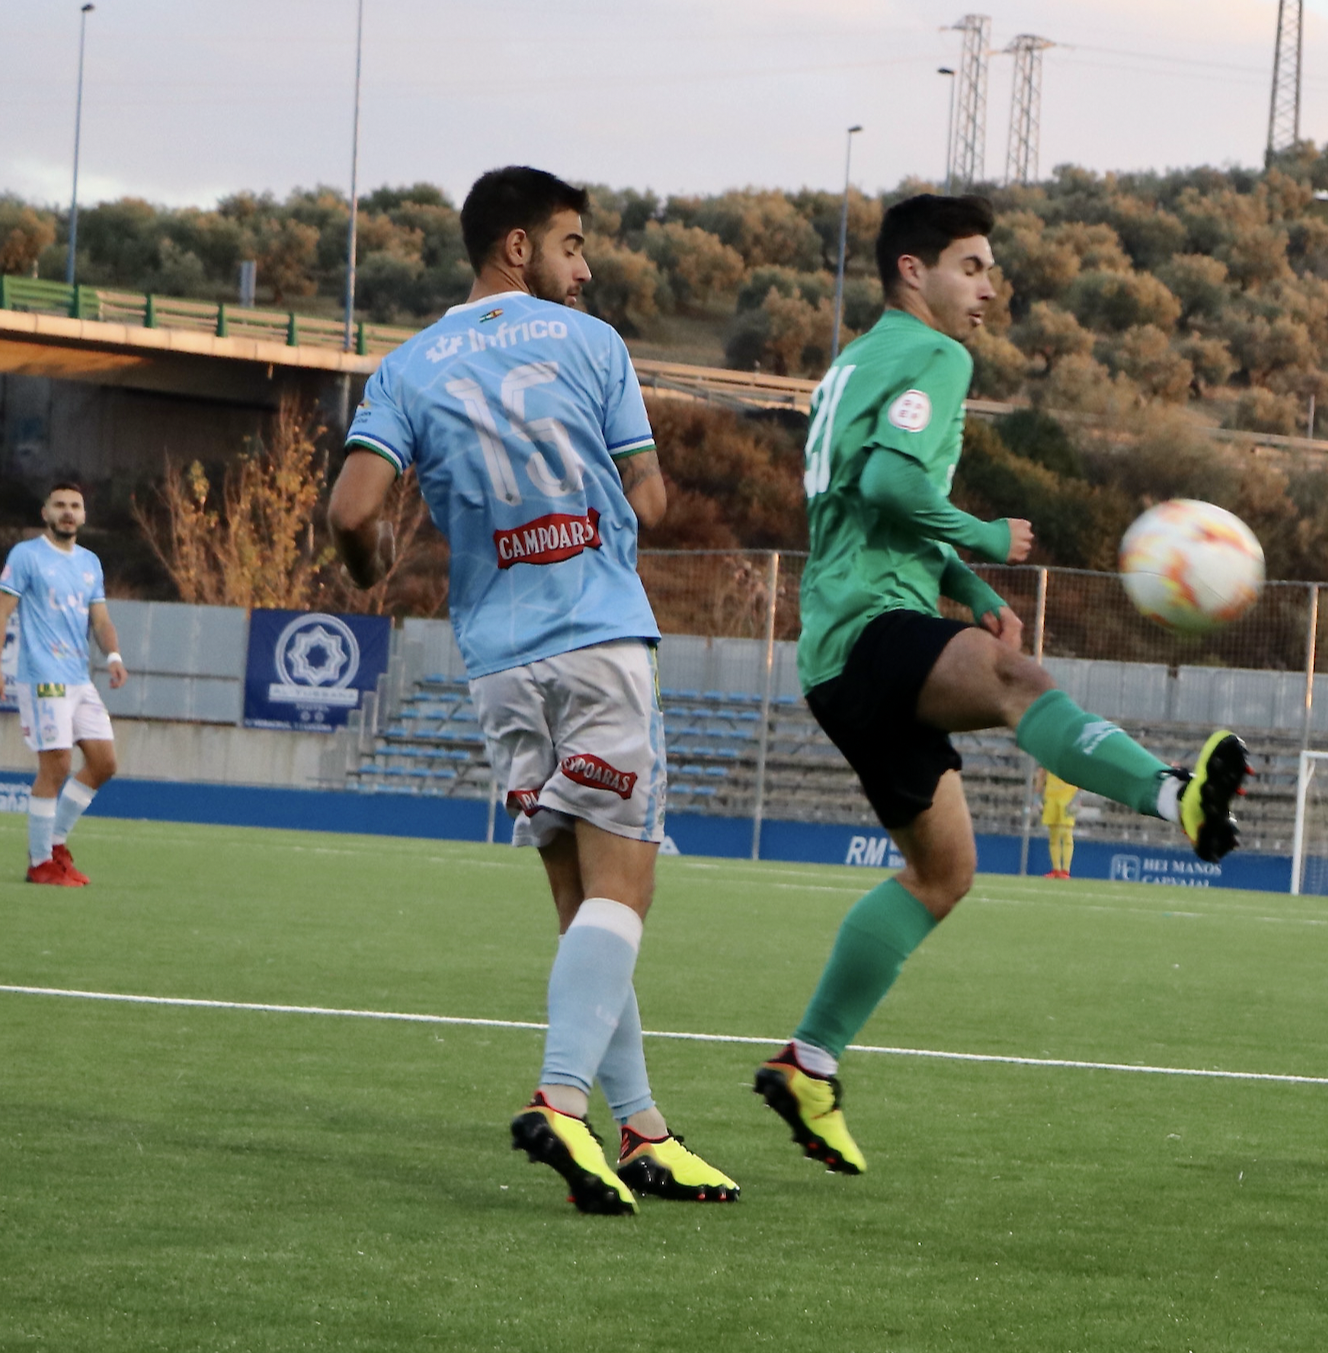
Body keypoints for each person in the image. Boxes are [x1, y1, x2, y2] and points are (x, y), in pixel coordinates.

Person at [751, 194, 1249, 1176]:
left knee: (943, 873)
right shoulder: (936, 357)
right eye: (972, 266)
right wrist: (987, 538)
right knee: (1021, 681)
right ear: (912, 271)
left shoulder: (853, 363)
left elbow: (865, 505)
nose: (988, 287)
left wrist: (972, 589)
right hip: (870, 629)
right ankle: (1173, 796)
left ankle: (807, 1062)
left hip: (837, 647)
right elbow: (897, 487)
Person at [328, 165, 738, 1216]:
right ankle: (560, 1100)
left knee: (581, 903)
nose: (585, 267)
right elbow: (646, 491)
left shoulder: (408, 367)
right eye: (572, 245)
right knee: (626, 891)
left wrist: (376, 563)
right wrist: (606, 501)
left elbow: (352, 512)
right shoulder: (591, 344)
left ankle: (641, 1130)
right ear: (517, 246)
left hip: (499, 664)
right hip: (597, 637)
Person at [1, 479, 124, 887]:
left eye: (75, 505)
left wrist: (114, 656)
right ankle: (40, 863)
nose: (68, 511)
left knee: (104, 763)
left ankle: (54, 845)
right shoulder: (26, 556)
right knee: (56, 766)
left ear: (83, 515)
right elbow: (2, 611)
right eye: (60, 505)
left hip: (79, 678)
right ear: (46, 513)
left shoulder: (89, 562)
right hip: (43, 679)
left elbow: (101, 620)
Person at [1037, 767, 1079, 878]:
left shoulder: (1071, 757)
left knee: (1066, 833)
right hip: (1051, 796)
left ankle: (1065, 870)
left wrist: (1077, 797)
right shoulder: (1049, 755)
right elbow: (1042, 772)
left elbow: (1081, 775)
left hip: (1068, 796)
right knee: (1053, 834)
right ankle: (1056, 869)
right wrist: (1037, 795)